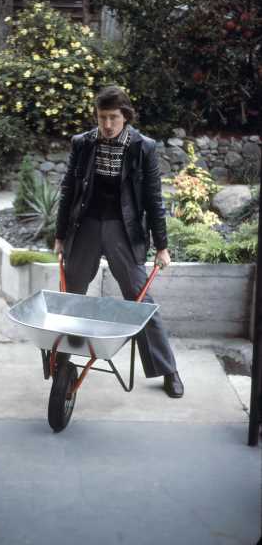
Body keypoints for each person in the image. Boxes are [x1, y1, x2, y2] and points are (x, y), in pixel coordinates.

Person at [54, 85, 184, 398]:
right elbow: (69, 190)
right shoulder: (83, 143)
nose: (108, 124)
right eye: (102, 117)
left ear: (125, 115)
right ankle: (63, 359)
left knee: (140, 299)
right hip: (85, 227)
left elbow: (153, 199)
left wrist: (162, 246)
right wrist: (59, 236)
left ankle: (168, 369)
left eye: (113, 117)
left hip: (123, 231)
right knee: (71, 294)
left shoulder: (143, 147)